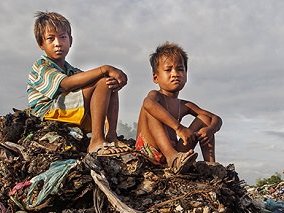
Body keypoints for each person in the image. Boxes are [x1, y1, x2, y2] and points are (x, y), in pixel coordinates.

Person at [27, 11, 129, 156]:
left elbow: (88, 81)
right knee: (103, 81)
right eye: (51, 39)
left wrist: (115, 80)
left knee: (108, 83)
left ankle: (111, 136)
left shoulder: (71, 70)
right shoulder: (42, 66)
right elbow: (66, 84)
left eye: (63, 37)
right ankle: (96, 141)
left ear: (70, 41)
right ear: (41, 44)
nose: (58, 43)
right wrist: (105, 69)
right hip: (47, 113)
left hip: (65, 110)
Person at [136, 42, 222, 173]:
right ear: (155, 77)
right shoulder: (155, 96)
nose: (175, 74)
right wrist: (179, 128)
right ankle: (171, 157)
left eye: (180, 69)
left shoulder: (184, 105)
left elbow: (215, 118)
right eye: (168, 70)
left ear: (186, 75)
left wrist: (210, 130)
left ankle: (210, 165)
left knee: (204, 118)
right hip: (150, 153)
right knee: (152, 109)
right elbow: (148, 104)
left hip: (178, 153)